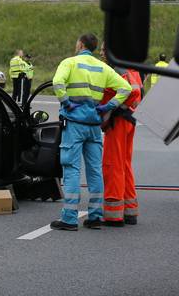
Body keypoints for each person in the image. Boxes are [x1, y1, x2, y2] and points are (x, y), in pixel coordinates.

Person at [50, 34, 132, 231]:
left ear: (80, 44)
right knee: (95, 171)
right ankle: (95, 216)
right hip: (94, 126)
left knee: (71, 169)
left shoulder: (69, 63)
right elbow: (126, 88)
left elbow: (57, 83)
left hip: (74, 124)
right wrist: (107, 107)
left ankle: (69, 218)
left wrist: (66, 102)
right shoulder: (103, 67)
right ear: (94, 48)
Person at [100, 44, 142, 227]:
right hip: (128, 120)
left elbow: (129, 92)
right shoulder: (132, 69)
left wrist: (108, 111)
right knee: (124, 164)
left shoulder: (117, 70)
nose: (101, 53)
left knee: (112, 164)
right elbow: (137, 91)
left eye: (104, 50)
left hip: (118, 121)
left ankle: (114, 214)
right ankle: (130, 211)